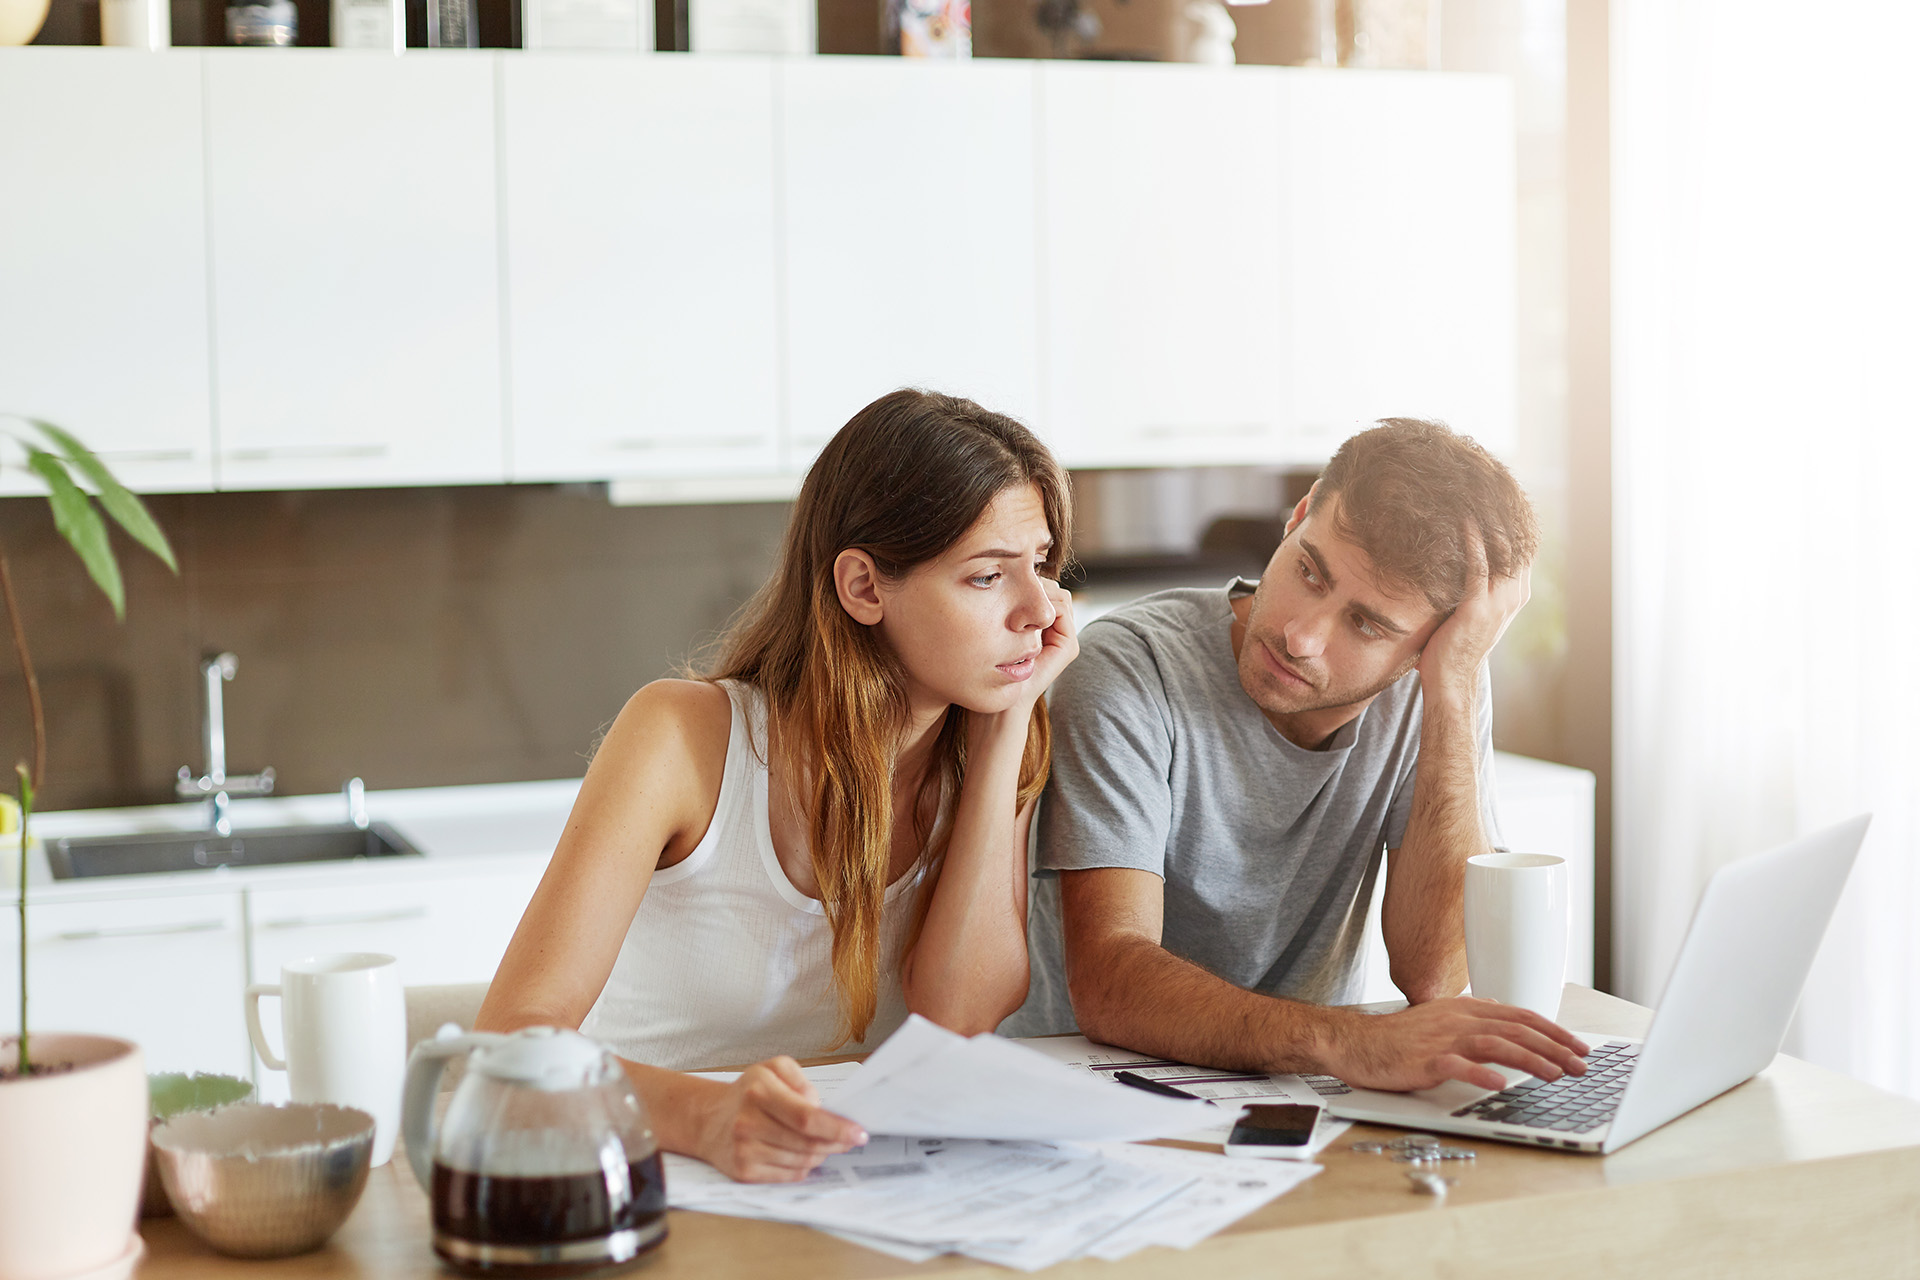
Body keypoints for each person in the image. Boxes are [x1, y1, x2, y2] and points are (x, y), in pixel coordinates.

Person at [477, 389, 1077, 1182]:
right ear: (864, 587)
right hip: (636, 1173)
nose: (1040, 609)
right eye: (986, 577)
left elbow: (956, 1021)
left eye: (1040, 565)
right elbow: (510, 1045)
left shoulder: (998, 738)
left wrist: (1004, 738)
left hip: (838, 1189)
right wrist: (708, 1116)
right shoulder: (681, 739)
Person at [1007, 418, 1591, 1092]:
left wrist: (1455, 688)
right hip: (1095, 1091)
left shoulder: (1439, 688)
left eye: (1367, 625)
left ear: (1427, 648)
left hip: (1299, 1094)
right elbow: (1111, 981)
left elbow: (1434, 974)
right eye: (1311, 573)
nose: (1300, 636)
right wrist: (1351, 1042)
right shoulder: (1129, 668)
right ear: (1302, 513)